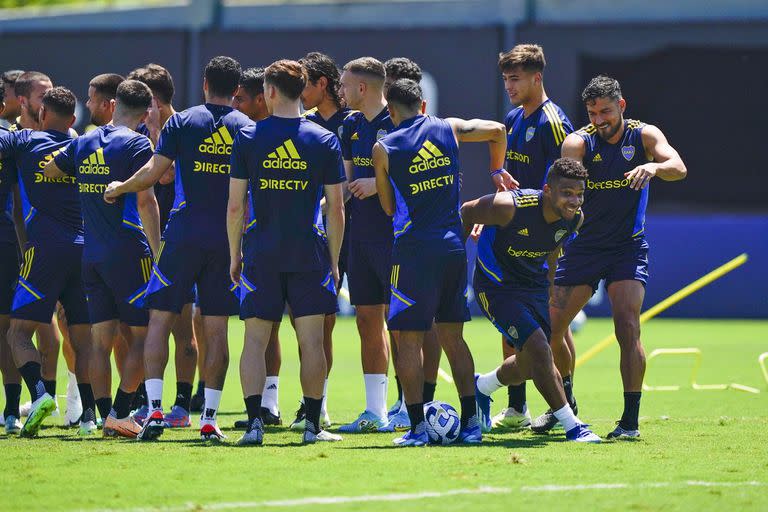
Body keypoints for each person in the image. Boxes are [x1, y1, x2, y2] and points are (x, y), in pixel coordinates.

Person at [104, 56, 253, 441]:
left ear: (205, 83)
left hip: (183, 235)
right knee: (216, 329)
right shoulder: (247, 128)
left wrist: (120, 187)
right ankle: (209, 418)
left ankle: (153, 412)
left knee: (160, 319)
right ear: (236, 90)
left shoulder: (182, 122)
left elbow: (156, 172)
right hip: (225, 239)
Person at [373, 78, 511, 446]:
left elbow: (388, 207)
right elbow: (498, 130)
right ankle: (471, 426)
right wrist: (497, 172)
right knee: (453, 338)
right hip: (453, 248)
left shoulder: (384, 148)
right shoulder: (448, 127)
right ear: (422, 104)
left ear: (390, 110)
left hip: (413, 251)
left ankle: (417, 429)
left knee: (408, 342)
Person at [552, 75, 687, 438]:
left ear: (621, 106)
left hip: (627, 248)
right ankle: (565, 405)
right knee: (550, 331)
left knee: (627, 326)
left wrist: (654, 167)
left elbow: (678, 166)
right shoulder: (578, 143)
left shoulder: (644, 136)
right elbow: (564, 191)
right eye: (593, 113)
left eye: (606, 111)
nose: (599, 119)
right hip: (584, 247)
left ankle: (629, 422)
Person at [227, 59, 345, 445]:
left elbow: (234, 206)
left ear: (271, 92)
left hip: (261, 252)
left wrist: (234, 255)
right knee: (311, 341)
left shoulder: (248, 137)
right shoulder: (324, 139)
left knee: (255, 341)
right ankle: (312, 426)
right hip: (309, 253)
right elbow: (336, 208)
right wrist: (334, 258)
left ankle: (254, 425)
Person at [45, 80, 161, 438]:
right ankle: (121, 412)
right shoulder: (139, 143)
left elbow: (50, 170)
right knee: (144, 336)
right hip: (128, 251)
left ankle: (95, 417)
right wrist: (158, 252)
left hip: (90, 254)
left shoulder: (82, 142)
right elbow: (145, 200)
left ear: (114, 105)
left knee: (100, 341)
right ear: (144, 114)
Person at [466, 157, 601, 443]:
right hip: (496, 287)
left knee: (530, 363)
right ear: (547, 190)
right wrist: (452, 268)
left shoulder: (574, 220)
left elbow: (553, 250)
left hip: (534, 288)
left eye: (579, 194)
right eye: (567, 193)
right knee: (540, 349)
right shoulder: (509, 207)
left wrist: (550, 289)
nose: (574, 201)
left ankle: (483, 385)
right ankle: (572, 425)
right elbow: (466, 212)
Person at [493, 44, 578, 432]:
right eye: (506, 78)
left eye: (516, 78)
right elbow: (512, 183)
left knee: (549, 326)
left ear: (537, 78)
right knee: (511, 319)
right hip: (515, 236)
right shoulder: (513, 119)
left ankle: (567, 400)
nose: (509, 85)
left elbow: (570, 187)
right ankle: (516, 407)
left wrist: (555, 245)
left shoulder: (553, 122)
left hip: (547, 242)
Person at [0, 87, 92, 438]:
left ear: (41, 115)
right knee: (82, 341)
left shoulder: (24, 141)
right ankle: (87, 418)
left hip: (43, 251)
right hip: (83, 250)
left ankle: (39, 395)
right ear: (72, 120)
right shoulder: (83, 146)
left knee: (17, 333)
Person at [127, 63, 199, 428]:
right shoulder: (138, 133)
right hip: (147, 243)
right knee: (142, 327)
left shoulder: (188, 128)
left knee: (184, 328)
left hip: (186, 240)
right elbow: (145, 198)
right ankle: (143, 401)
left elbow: (165, 177)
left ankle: (183, 404)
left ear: (153, 98)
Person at [282, 52, 350, 431]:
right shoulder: (302, 124)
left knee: (331, 324)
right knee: (309, 323)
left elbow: (347, 184)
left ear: (321, 83)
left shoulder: (350, 123)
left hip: (350, 232)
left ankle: (318, 406)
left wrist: (326, 200)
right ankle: (314, 405)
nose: (300, 93)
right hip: (312, 237)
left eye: (305, 84)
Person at [379, 57, 442, 430]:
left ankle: (423, 400)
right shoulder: (380, 129)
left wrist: (378, 184)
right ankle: (405, 400)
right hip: (387, 238)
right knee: (397, 324)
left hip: (414, 238)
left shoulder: (429, 131)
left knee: (425, 324)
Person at [229, 66, 284, 428]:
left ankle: (312, 410)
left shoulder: (259, 136)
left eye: (241, 99)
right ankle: (269, 406)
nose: (235, 105)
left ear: (263, 98)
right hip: (264, 243)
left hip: (273, 247)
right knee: (268, 329)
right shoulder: (245, 133)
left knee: (312, 331)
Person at [0, 82, 26, 433]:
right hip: (7, 240)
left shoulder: (10, 141)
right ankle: (11, 411)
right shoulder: (10, 141)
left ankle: (10, 409)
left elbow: (20, 203)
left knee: (6, 330)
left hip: (5, 242)